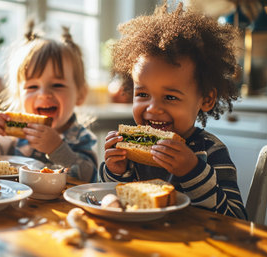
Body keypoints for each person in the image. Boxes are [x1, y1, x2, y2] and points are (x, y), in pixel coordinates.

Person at [99, 3, 247, 219]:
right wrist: (115, 171)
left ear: (206, 99)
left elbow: (237, 218)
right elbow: (107, 200)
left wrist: (193, 171)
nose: (152, 108)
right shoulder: (130, 152)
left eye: (170, 97)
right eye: (142, 94)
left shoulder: (211, 151)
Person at [0, 22, 98, 182]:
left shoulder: (80, 137)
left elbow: (91, 177)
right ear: (18, 95)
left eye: (57, 85)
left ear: (80, 94)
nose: (44, 95)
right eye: (32, 87)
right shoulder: (10, 136)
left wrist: (57, 149)